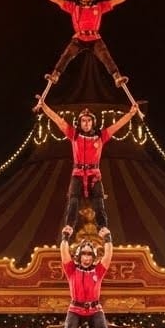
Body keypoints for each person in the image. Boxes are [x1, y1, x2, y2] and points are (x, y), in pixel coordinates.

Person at [36, 101, 141, 239]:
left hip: (94, 174)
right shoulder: (74, 135)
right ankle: (69, 225)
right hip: (78, 173)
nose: (86, 123)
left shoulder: (101, 136)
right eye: (83, 121)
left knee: (98, 201)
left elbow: (118, 125)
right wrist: (44, 106)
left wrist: (131, 113)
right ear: (80, 123)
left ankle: (102, 227)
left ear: (93, 122)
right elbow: (57, 120)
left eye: (89, 120)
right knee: (73, 200)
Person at [29, 0, 144, 87]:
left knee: (106, 57)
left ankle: (117, 77)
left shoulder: (99, 7)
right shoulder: (74, 8)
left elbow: (115, 1)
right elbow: (57, 0)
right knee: (66, 55)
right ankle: (55, 75)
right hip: (79, 38)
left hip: (95, 39)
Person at [53, 228, 119, 328]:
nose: (87, 257)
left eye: (90, 254)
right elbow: (64, 253)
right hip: (75, 308)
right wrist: (65, 237)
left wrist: (108, 238)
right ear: (79, 255)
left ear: (93, 257)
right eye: (84, 254)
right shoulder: (71, 269)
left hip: (95, 308)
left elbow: (108, 256)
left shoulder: (98, 270)